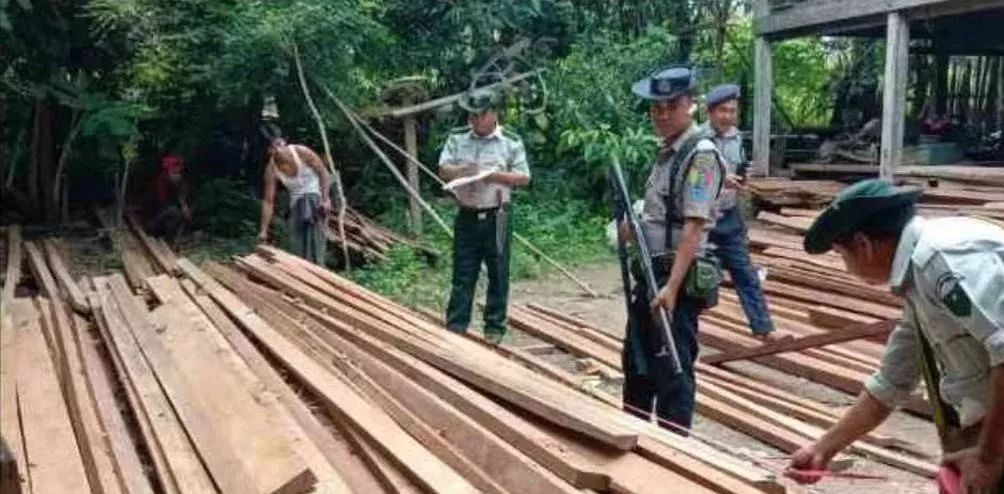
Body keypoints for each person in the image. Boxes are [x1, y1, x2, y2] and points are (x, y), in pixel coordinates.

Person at [788, 179, 1004, 494]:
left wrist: (989, 456)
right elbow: (891, 383)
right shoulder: (918, 283)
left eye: (840, 254)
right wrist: (823, 449)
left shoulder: (941, 260)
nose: (844, 265)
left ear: (863, 245)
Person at [620, 65, 727, 432]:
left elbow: (694, 227)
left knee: (672, 373)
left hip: (674, 279)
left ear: (691, 106)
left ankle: (673, 456)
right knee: (637, 366)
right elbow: (661, 217)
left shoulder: (701, 155)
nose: (663, 114)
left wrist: (672, 287)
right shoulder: (667, 153)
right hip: (651, 273)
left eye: (672, 105)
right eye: (656, 107)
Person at [438, 88, 530, 344]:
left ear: (493, 113)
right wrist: (462, 171)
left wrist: (492, 175)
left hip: (497, 214)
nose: (475, 121)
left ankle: (494, 327)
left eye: (480, 115)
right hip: (467, 213)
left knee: (498, 271)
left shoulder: (510, 141)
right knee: (463, 271)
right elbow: (443, 169)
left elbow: (523, 177)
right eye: (471, 116)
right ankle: (456, 326)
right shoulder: (458, 138)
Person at [700, 83, 776, 339]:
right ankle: (679, 328)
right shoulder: (696, 139)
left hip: (729, 215)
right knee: (695, 275)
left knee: (744, 271)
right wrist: (721, 180)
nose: (728, 116)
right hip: (700, 218)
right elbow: (691, 181)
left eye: (732, 111)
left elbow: (739, 169)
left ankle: (763, 328)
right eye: (722, 111)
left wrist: (744, 178)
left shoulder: (737, 138)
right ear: (709, 112)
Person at [257, 137, 332, 265]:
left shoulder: (301, 152)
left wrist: (325, 199)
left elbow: (323, 173)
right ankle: (301, 269)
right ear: (270, 150)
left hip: (315, 196)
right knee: (297, 242)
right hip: (296, 202)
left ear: (284, 143)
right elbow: (268, 201)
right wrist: (263, 230)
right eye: (275, 147)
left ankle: (317, 269)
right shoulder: (271, 169)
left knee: (315, 242)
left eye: (280, 145)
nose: (280, 150)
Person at [148, 153, 192, 241]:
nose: (178, 173)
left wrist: (184, 208)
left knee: (178, 216)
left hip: (169, 209)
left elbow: (182, 198)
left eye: (179, 171)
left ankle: (170, 236)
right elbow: (160, 202)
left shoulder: (181, 182)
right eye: (175, 171)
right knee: (173, 213)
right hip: (158, 211)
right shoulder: (160, 182)